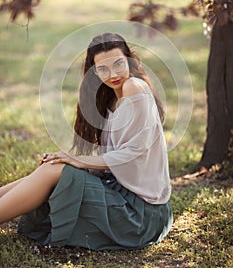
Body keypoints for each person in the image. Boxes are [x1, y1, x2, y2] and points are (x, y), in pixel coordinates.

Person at [0, 32, 173, 250]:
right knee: (53, 167)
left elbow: (134, 151)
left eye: (119, 64)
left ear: (130, 60)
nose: (113, 74)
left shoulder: (134, 87)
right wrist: (72, 161)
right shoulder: (111, 99)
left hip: (141, 213)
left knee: (56, 170)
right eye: (103, 69)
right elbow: (114, 161)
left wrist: (79, 161)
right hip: (120, 194)